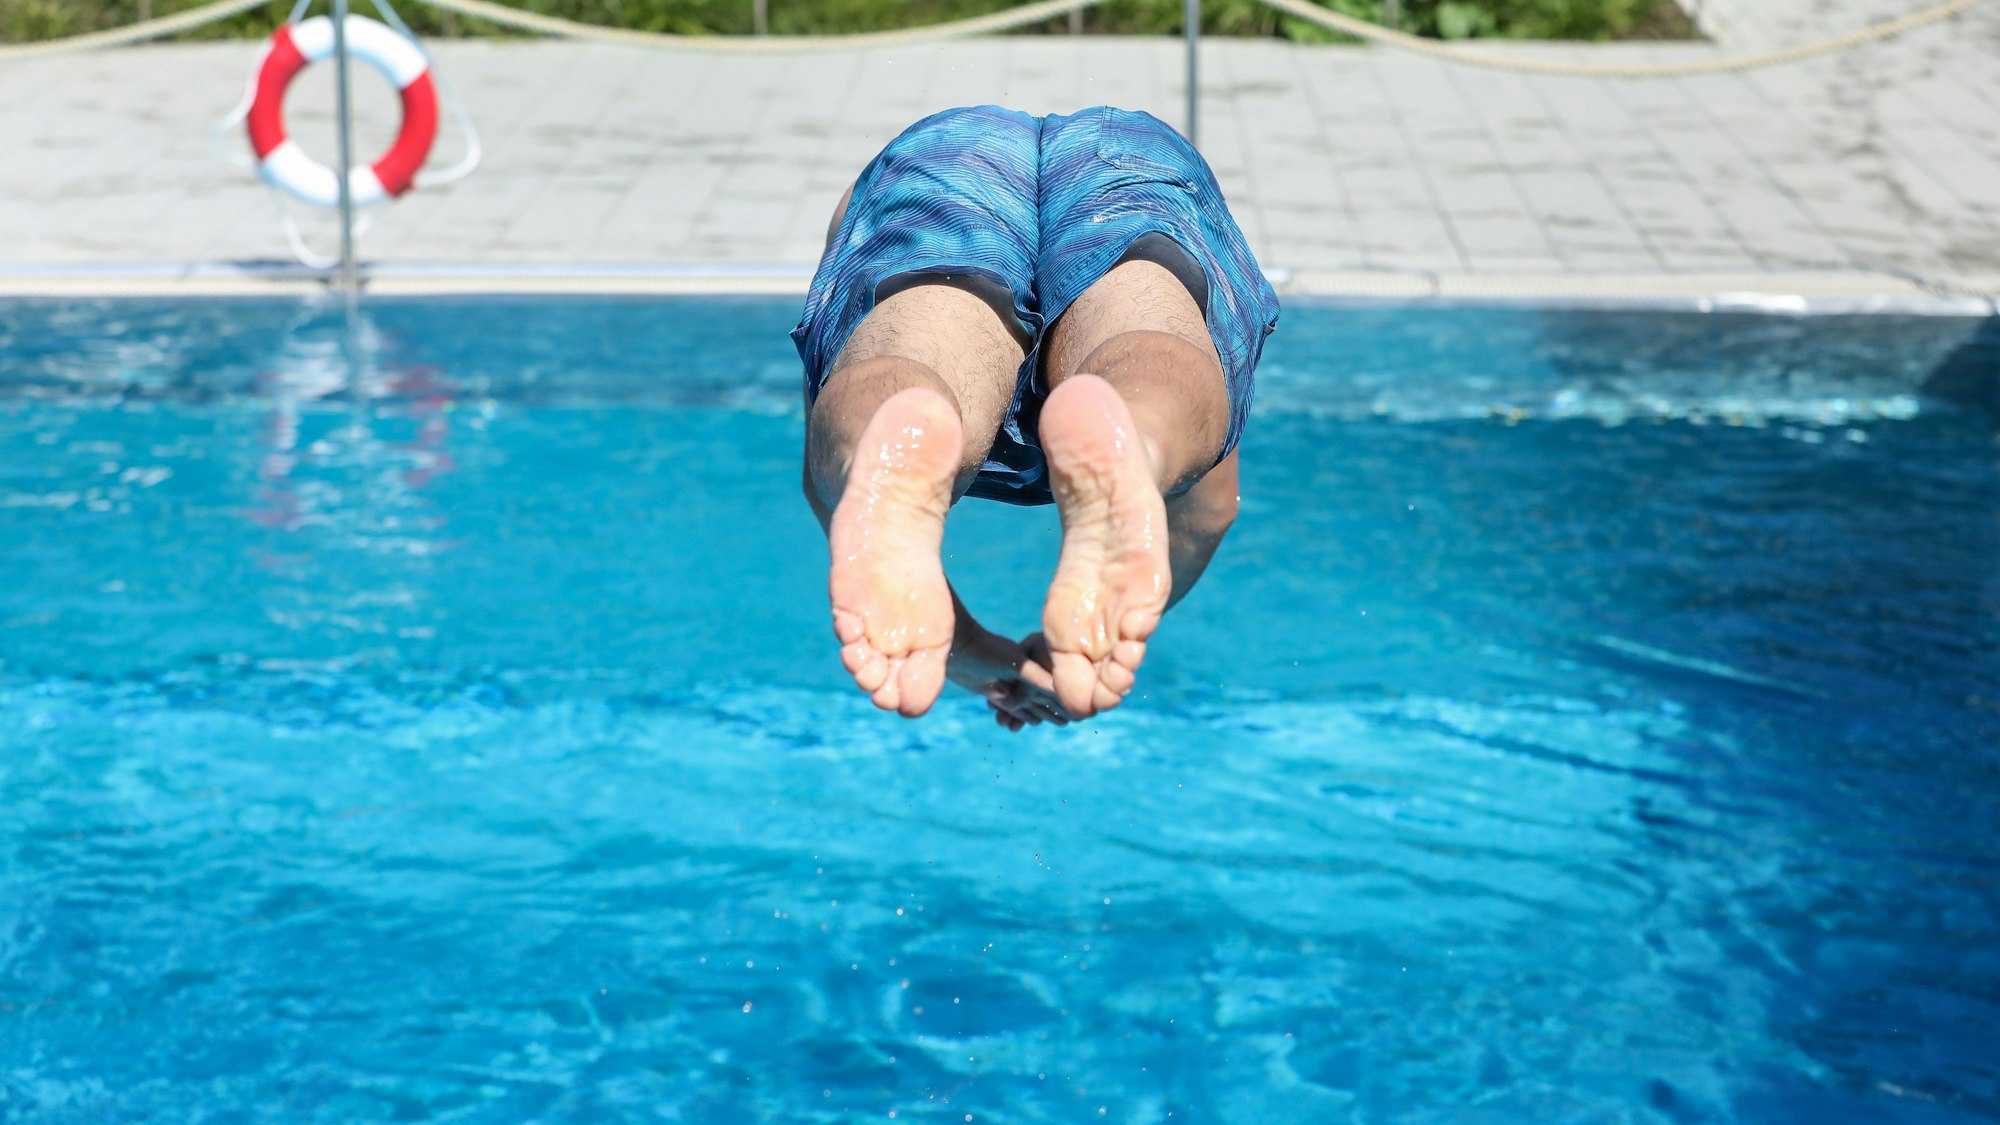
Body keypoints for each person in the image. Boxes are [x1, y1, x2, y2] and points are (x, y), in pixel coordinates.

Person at [793, 105, 1279, 728]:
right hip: (1126, 157)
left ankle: (892, 439)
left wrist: (963, 646)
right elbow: (1207, 512)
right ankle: (1139, 438)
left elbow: (828, 481)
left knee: (923, 331)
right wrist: (1094, 636)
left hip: (954, 153)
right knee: (1137, 320)